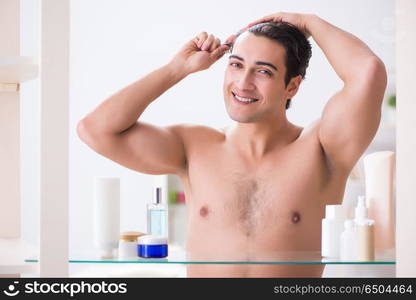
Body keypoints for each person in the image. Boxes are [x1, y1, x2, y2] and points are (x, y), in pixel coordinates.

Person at [77, 12, 387, 277]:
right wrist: (177, 69)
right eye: (236, 65)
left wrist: (308, 22)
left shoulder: (321, 149)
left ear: (292, 85)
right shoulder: (193, 146)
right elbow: (95, 130)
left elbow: (367, 72)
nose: (243, 82)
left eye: (263, 71)